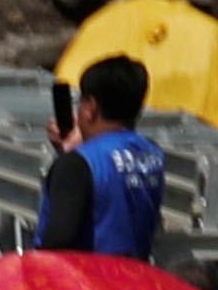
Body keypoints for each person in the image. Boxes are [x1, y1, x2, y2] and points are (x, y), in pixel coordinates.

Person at [34, 53, 167, 260]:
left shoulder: (77, 166)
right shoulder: (152, 155)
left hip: (88, 285)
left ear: (90, 108)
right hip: (134, 280)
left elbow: (58, 244)